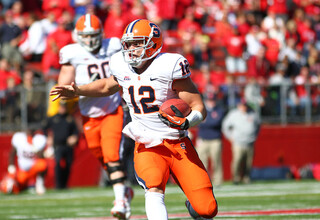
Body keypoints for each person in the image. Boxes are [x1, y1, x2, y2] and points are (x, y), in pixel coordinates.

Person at [50, 19, 218, 220]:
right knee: (153, 184)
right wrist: (77, 90)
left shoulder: (170, 65)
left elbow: (198, 107)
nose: (131, 48)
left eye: (137, 43)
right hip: (147, 142)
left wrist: (188, 121)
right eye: (128, 43)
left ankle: (194, 205)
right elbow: (106, 86)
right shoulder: (120, 64)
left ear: (152, 43)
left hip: (178, 143)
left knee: (207, 209)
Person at [55, 14, 133, 219]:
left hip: (112, 109)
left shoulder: (114, 45)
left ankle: (121, 203)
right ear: (78, 36)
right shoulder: (71, 53)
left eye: (93, 36)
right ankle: (124, 190)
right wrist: (65, 92)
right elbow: (64, 81)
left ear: (102, 34)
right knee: (102, 157)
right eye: (85, 36)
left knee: (112, 155)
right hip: (89, 115)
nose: (89, 40)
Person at [222, 100, 261, 184]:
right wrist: (230, 137)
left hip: (250, 142)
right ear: (239, 105)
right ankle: (236, 178)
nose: (243, 107)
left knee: (248, 162)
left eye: (245, 105)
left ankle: (246, 178)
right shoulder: (234, 114)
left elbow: (258, 126)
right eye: (242, 105)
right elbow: (225, 126)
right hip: (238, 142)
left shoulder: (253, 114)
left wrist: (254, 136)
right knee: (237, 161)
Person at [42, 100, 79, 189]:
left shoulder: (70, 119)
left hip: (68, 145)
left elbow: (76, 132)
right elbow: (44, 128)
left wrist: (74, 137)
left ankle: (65, 184)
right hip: (57, 145)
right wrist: (48, 137)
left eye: (64, 107)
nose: (63, 109)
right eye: (61, 107)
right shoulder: (54, 118)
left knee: (68, 164)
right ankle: (58, 185)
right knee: (58, 164)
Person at [0, 128, 47, 195]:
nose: (29, 132)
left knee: (42, 164)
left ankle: (39, 184)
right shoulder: (19, 138)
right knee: (11, 187)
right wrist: (11, 168)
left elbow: (41, 157)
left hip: (33, 169)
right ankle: (23, 187)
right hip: (23, 171)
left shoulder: (38, 140)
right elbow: (12, 153)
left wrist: (33, 145)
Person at [196, 93, 225, 187]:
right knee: (202, 162)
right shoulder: (202, 109)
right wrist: (206, 121)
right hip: (203, 139)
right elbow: (198, 122)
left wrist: (205, 121)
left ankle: (217, 181)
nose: (211, 102)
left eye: (212, 100)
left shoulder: (219, 110)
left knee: (216, 161)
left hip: (215, 140)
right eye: (209, 100)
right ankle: (203, 181)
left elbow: (216, 122)